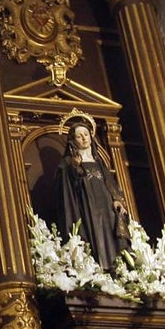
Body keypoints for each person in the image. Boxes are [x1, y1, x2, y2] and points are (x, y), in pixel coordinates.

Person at [55, 114, 130, 270]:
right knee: (94, 234)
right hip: (87, 207)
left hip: (106, 206)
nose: (84, 139)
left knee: (111, 234)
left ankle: (117, 268)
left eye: (86, 135)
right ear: (73, 140)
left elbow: (109, 182)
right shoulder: (68, 163)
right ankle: (98, 267)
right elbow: (67, 190)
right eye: (79, 136)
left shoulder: (98, 161)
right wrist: (75, 168)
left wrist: (117, 199)